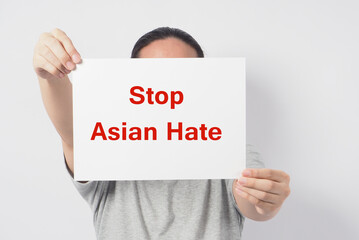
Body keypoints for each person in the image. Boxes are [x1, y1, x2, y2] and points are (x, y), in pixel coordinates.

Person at [33, 27, 291, 240]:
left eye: (181, 75)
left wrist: (264, 200)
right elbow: (74, 138)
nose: (167, 89)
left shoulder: (228, 144)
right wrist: (50, 76)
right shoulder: (110, 144)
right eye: (154, 75)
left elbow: (253, 205)